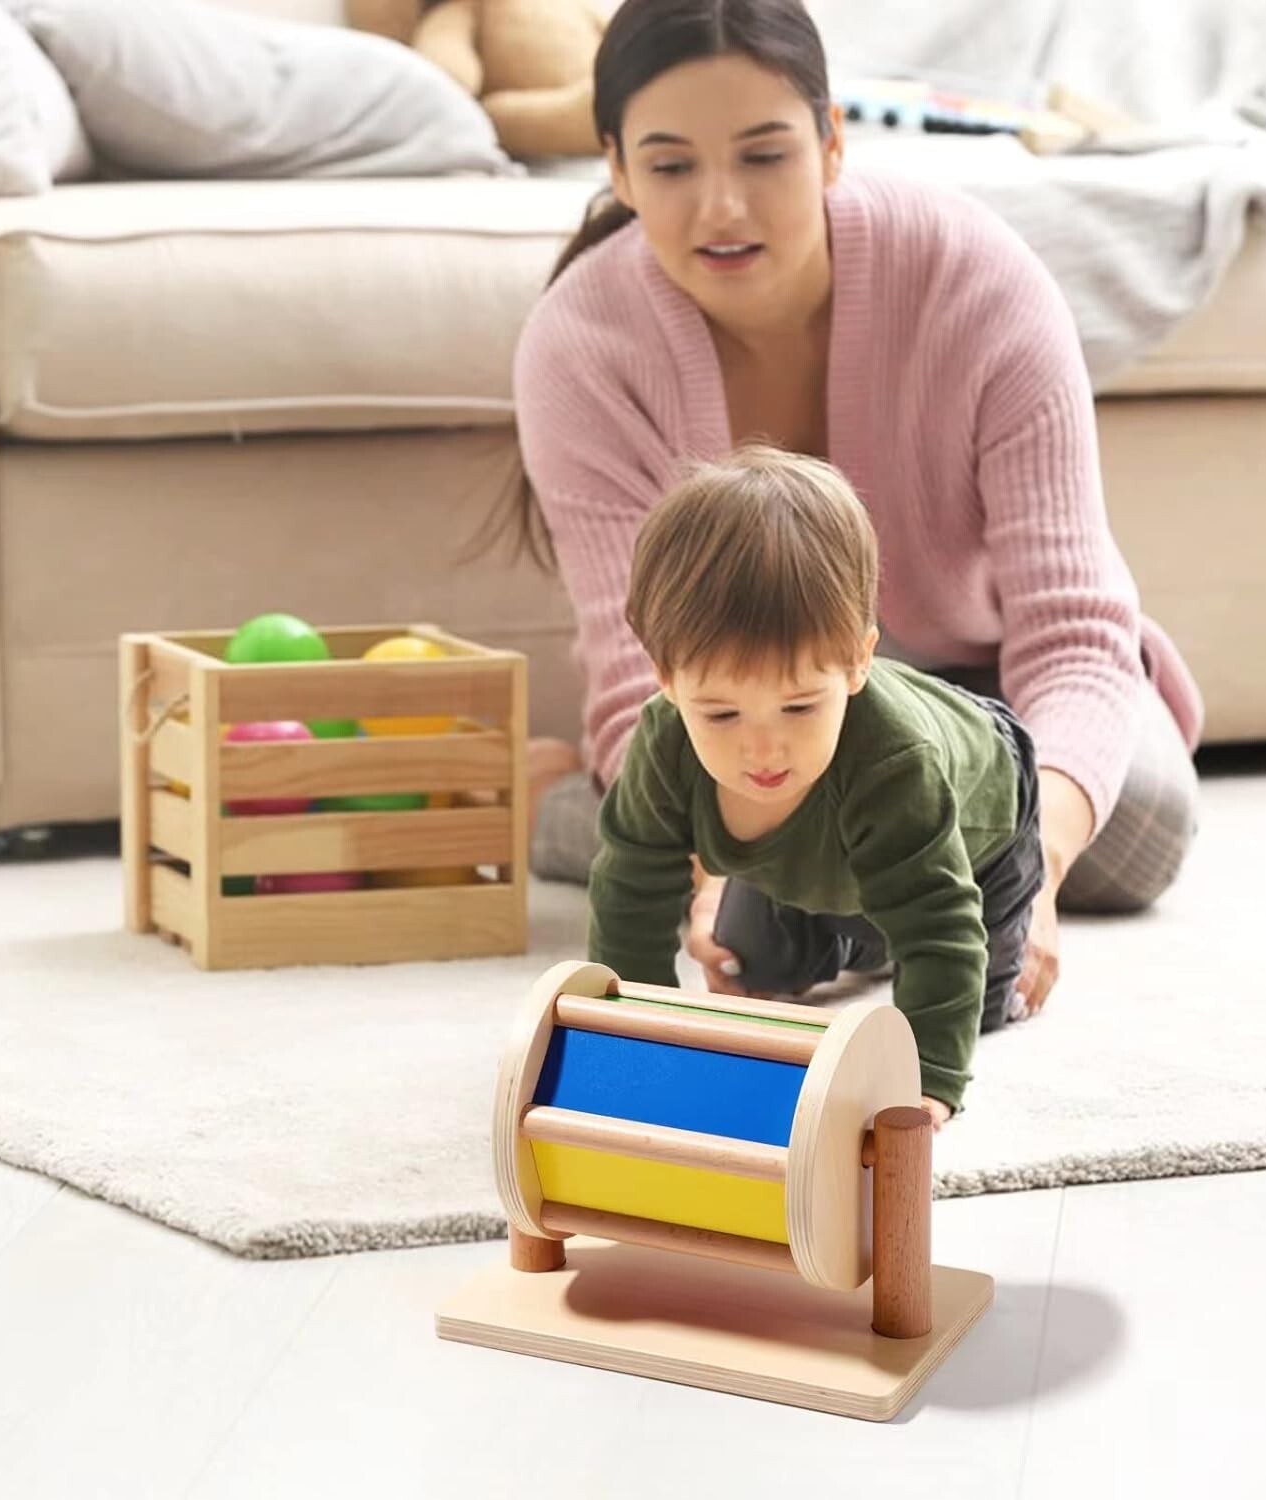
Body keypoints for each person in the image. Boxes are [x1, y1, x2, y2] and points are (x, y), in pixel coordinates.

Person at [515, 0, 1204, 1023]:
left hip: (981, 696)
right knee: (711, 860)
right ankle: (859, 877)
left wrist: (1036, 877)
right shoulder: (579, 346)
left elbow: (1073, 631)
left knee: (1139, 824)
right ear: (614, 170)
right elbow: (643, 685)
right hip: (762, 712)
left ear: (832, 142)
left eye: (764, 156)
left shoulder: (980, 278)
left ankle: (855, 886)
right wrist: (712, 879)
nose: (723, 209)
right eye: (670, 168)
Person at [592, 447, 1044, 1127]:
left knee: (962, 1003)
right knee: (754, 967)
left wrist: (927, 1086)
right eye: (720, 714)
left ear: (860, 661)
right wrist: (640, 1048)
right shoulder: (661, 743)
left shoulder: (896, 761)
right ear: (666, 678)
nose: (764, 748)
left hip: (984, 840)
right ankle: (861, 937)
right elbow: (631, 891)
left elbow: (941, 926)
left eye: (800, 706)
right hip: (830, 857)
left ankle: (896, 936)